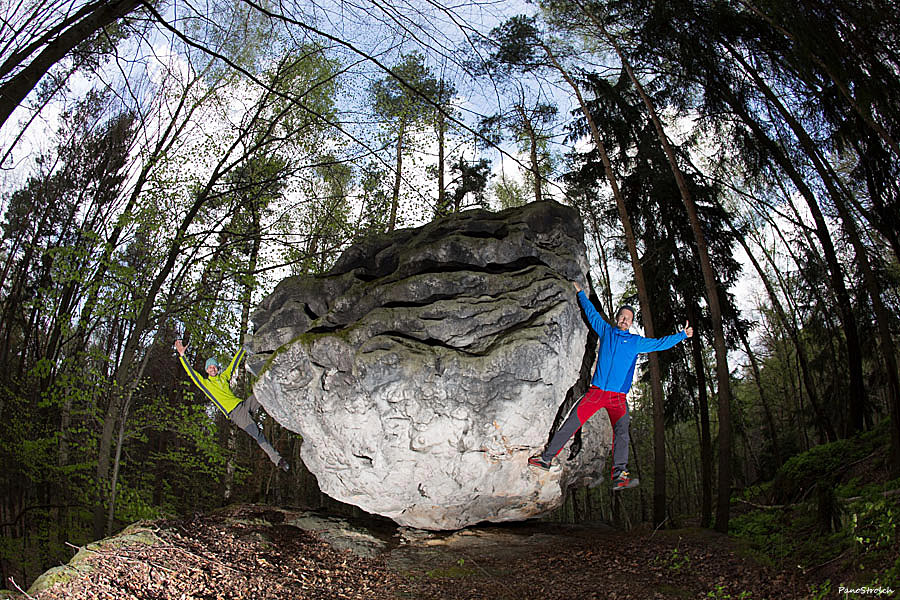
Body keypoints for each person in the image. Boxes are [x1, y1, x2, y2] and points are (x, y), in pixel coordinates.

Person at [528, 281, 693, 490]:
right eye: (622, 316)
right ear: (617, 318)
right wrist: (580, 293)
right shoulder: (606, 331)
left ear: (631, 323)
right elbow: (592, 313)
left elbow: (660, 343)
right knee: (571, 423)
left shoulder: (636, 342)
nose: (625, 320)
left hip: (617, 398)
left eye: (629, 319)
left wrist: (682, 336)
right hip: (596, 393)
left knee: (622, 431)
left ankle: (619, 475)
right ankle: (546, 458)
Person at [174, 339, 289, 472]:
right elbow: (192, 373)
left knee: (261, 390)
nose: (213, 368)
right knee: (257, 434)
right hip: (236, 414)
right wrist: (182, 355)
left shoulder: (223, 377)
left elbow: (233, 363)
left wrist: (244, 348)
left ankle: (286, 389)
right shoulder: (206, 385)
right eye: (210, 367)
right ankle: (278, 460)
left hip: (244, 405)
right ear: (206, 370)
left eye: (215, 366)